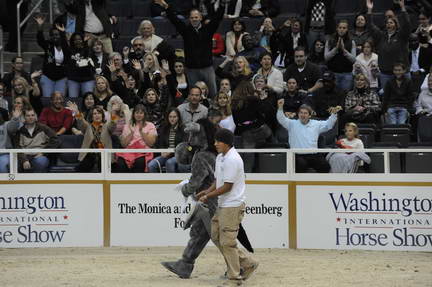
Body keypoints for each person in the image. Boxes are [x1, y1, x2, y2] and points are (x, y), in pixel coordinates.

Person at [196, 128, 258, 285]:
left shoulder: (233, 159)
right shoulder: (220, 158)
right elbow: (218, 181)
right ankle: (247, 263)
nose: (215, 143)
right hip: (224, 205)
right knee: (217, 236)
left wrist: (207, 196)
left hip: (233, 205)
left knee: (227, 242)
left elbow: (227, 187)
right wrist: (207, 190)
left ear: (227, 143)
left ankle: (234, 276)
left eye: (218, 141)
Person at [154, 0, 226, 99]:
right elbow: (175, 20)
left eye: (196, 17)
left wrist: (222, 5)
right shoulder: (186, 30)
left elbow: (217, 18)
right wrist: (167, 7)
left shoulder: (208, 29)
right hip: (192, 69)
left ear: (200, 18)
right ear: (189, 19)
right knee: (194, 96)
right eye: (192, 17)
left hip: (207, 68)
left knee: (213, 94)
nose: (194, 19)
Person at [276, 101, 339, 173]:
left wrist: (334, 114)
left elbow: (328, 125)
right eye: (301, 113)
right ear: (298, 114)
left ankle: (320, 184)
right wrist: (280, 108)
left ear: (309, 115)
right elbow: (281, 119)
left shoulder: (316, 124)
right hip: (297, 155)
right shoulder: (292, 124)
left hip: (313, 155)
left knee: (325, 166)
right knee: (301, 165)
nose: (303, 115)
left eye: (305, 113)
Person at [366, 0, 411, 93]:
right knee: (387, 96)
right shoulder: (381, 36)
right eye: (387, 23)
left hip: (402, 73)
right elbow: (370, 26)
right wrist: (369, 10)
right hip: (386, 74)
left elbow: (407, 24)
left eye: (391, 22)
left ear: (395, 24)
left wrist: (403, 8)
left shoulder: (401, 35)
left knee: (405, 96)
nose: (389, 24)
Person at [14, 109, 60, 173]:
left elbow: (55, 140)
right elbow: (17, 147)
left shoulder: (43, 128)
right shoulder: (20, 131)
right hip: (25, 156)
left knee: (41, 162)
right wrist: (24, 160)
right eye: (28, 115)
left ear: (36, 116)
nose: (31, 117)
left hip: (39, 156)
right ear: (24, 118)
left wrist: (43, 153)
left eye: (32, 115)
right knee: (13, 164)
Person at [115, 104, 157, 173]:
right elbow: (123, 145)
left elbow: (151, 143)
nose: (139, 115)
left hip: (143, 152)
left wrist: (141, 132)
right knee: (120, 163)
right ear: (133, 114)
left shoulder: (150, 125)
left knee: (139, 162)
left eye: (141, 113)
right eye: (137, 112)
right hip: (129, 152)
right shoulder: (127, 125)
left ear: (144, 114)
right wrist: (131, 133)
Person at [35, 16, 69, 98]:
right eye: (53, 35)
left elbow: (66, 43)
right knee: (47, 99)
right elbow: (40, 40)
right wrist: (40, 27)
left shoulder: (65, 46)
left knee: (60, 99)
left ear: (60, 35)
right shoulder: (48, 45)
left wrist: (63, 32)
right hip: (48, 77)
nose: (55, 36)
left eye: (57, 34)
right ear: (50, 36)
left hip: (61, 77)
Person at [148, 108, 188, 173]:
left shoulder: (184, 129)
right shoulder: (164, 128)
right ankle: (157, 182)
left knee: (169, 162)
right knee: (151, 165)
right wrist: (162, 151)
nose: (172, 119)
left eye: (174, 117)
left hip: (179, 155)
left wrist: (171, 152)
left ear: (178, 117)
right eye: (170, 117)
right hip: (166, 155)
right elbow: (160, 143)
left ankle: (172, 183)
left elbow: (184, 145)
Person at [325, 20, 357, 92]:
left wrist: (343, 50)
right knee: (334, 95)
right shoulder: (330, 40)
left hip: (347, 74)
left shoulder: (352, 41)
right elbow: (326, 57)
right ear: (337, 28)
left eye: (344, 28)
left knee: (345, 95)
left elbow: (354, 60)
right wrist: (336, 49)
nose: (342, 30)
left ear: (347, 29)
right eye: (340, 27)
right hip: (333, 73)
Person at [65, 33, 96, 99]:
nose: (78, 41)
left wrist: (85, 43)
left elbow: (87, 56)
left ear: (83, 40)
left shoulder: (87, 49)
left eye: (79, 39)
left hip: (87, 79)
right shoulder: (69, 50)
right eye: (75, 40)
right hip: (73, 80)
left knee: (88, 100)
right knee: (73, 101)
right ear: (72, 41)